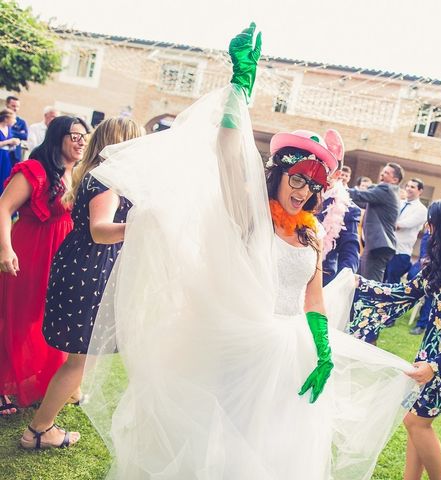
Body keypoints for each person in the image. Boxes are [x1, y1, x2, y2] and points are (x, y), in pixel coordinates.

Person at [81, 24, 416, 479]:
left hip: (288, 350)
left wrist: (321, 350)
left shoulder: (311, 232)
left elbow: (312, 295)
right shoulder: (250, 215)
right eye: (297, 179)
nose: (303, 192)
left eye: (314, 186)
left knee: (273, 448)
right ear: (278, 173)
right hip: (235, 343)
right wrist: (241, 86)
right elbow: (226, 151)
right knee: (219, 440)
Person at [350, 198, 441, 480]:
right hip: (431, 350)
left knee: (416, 420)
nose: (427, 228)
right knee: (418, 419)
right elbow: (405, 292)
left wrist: (436, 365)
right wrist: (360, 285)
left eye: (432, 222)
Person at [18, 117, 143, 449]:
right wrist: (143, 225)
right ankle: (39, 431)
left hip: (82, 266)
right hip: (90, 271)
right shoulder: (108, 181)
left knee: (79, 353)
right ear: (124, 143)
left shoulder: (97, 174)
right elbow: (100, 230)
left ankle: (66, 398)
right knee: (79, 359)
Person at [0, 116, 89, 415]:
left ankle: (47, 383)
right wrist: (5, 248)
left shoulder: (76, 175)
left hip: (59, 257)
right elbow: (3, 207)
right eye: (75, 135)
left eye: (84, 137)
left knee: (46, 321)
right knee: (16, 320)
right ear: (57, 136)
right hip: (29, 252)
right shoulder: (35, 170)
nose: (81, 141)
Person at [349, 163, 403, 281]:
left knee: (371, 285)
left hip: (378, 245)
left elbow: (359, 195)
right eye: (383, 171)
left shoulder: (386, 190)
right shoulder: (388, 193)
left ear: (395, 180)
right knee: (360, 280)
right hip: (376, 244)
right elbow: (362, 202)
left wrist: (337, 189)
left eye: (387, 173)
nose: (382, 174)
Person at [317, 162, 361, 285]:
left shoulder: (348, 208)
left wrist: (343, 281)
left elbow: (349, 250)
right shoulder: (299, 191)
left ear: (337, 174)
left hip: (322, 277)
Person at [384, 178, 428, 284]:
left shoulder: (422, 210)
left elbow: (400, 225)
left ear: (420, 191)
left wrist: (386, 222)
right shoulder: (399, 203)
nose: (408, 189)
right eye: (407, 186)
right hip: (386, 247)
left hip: (400, 252)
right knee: (378, 280)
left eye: (412, 187)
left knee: (392, 284)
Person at [0, 109, 20, 194]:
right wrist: (9, 141)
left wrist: (13, 143)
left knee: (4, 178)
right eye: (13, 118)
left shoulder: (9, 129)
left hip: (6, 157)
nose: (15, 121)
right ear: (6, 118)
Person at [6, 96, 28, 165]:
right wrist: (18, 133)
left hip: (15, 154)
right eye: (13, 106)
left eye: (17, 106)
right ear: (7, 104)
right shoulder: (1, 119)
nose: (15, 108)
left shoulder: (21, 122)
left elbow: (25, 136)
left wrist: (10, 132)